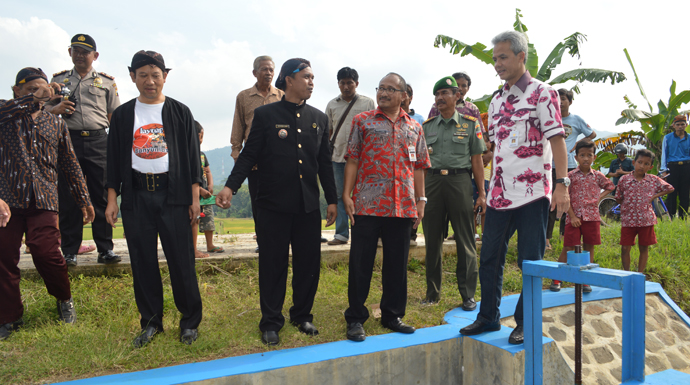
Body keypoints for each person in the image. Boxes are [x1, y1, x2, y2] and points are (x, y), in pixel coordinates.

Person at [217, 58, 337, 346]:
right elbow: (249, 154)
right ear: (288, 80)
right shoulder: (266, 115)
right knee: (273, 263)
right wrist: (230, 187)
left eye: (313, 77)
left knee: (309, 262)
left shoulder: (319, 118)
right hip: (273, 203)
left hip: (307, 205)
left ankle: (302, 315)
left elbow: (324, 163)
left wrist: (332, 200)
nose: (311, 82)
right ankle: (271, 321)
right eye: (306, 77)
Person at [459, 31, 569, 345]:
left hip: (534, 194)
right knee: (490, 257)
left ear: (521, 57)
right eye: (495, 59)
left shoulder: (542, 93)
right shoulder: (496, 101)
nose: (497, 64)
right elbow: (496, 146)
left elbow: (558, 143)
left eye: (503, 57)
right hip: (499, 193)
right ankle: (488, 317)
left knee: (530, 262)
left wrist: (562, 185)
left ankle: (526, 322)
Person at [105, 50, 203, 347]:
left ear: (165, 76)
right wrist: (112, 199)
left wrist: (194, 198)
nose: (150, 81)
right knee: (142, 261)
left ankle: (189, 322)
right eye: (143, 75)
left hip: (173, 195)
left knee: (181, 260)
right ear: (133, 77)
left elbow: (191, 159)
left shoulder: (180, 112)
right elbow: (112, 159)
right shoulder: (123, 115)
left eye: (155, 75)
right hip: (136, 196)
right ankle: (151, 323)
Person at [0, 67, 95, 340]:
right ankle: (9, 316)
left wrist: (83, 199)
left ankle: (64, 299)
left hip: (43, 199)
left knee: (47, 253)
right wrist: (35, 97)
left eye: (42, 88)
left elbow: (70, 164)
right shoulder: (5, 116)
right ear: (16, 91)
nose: (37, 95)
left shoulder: (56, 124)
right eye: (29, 89)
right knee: (4, 257)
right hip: (7, 201)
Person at [342, 73, 431, 342]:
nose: (384, 93)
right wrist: (346, 195)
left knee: (396, 265)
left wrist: (421, 200)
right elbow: (353, 159)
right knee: (360, 264)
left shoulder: (415, 127)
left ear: (404, 95)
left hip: (402, 207)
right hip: (367, 205)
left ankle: (392, 315)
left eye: (391, 89)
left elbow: (418, 166)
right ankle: (356, 318)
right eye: (381, 88)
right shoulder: (362, 121)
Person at [46, 34, 121, 266]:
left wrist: (117, 145)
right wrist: (56, 108)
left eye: (85, 51)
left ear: (95, 56)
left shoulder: (107, 82)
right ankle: (69, 251)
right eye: (76, 50)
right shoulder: (57, 80)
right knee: (69, 197)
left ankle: (105, 249)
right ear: (70, 52)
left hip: (99, 141)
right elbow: (43, 112)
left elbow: (113, 117)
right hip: (68, 141)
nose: (80, 55)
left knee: (101, 195)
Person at [421, 76, 486, 310]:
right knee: (432, 241)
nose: (439, 98)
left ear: (456, 96)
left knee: (466, 240)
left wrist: (481, 194)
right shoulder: (426, 127)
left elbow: (477, 162)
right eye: (437, 95)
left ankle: (468, 294)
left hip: (460, 182)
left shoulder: (470, 124)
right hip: (433, 184)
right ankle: (432, 293)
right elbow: (420, 165)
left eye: (445, 93)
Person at [230, 56, 284, 253]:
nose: (268, 73)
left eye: (271, 69)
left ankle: (279, 240)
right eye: (264, 69)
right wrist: (237, 153)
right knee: (258, 204)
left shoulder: (281, 96)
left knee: (280, 203)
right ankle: (263, 242)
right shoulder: (244, 97)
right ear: (254, 73)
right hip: (254, 163)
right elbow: (238, 127)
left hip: (279, 162)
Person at [550, 140, 614, 292]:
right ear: (576, 157)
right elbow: (566, 196)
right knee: (569, 246)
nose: (586, 158)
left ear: (594, 157)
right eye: (582, 155)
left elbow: (610, 186)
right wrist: (572, 216)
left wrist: (599, 197)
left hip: (592, 217)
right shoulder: (570, 176)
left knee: (589, 247)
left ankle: (585, 279)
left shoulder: (597, 176)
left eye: (589, 155)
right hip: (574, 217)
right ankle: (557, 278)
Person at [325, 67, 375, 246]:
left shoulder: (368, 103)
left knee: (363, 194)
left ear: (357, 84)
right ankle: (341, 234)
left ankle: (364, 233)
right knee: (339, 195)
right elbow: (328, 131)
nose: (346, 86)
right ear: (338, 84)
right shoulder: (332, 105)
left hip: (362, 159)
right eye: (342, 83)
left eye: (350, 83)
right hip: (338, 157)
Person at [545, 88, 596, 250]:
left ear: (570, 102)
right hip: (550, 166)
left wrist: (577, 145)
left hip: (570, 166)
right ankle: (547, 239)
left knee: (569, 202)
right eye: (557, 99)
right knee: (551, 203)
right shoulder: (549, 118)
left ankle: (564, 234)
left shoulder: (576, 120)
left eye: (564, 99)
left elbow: (592, 134)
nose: (560, 102)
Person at [616, 149, 673, 272]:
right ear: (634, 162)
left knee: (644, 247)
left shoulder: (653, 180)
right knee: (625, 248)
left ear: (650, 166)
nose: (642, 166)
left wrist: (654, 197)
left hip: (646, 220)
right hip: (628, 220)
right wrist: (628, 207)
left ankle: (639, 274)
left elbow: (670, 188)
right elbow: (619, 198)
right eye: (640, 162)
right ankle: (627, 273)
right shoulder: (624, 180)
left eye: (646, 164)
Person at [193, 121, 223, 259]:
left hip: (206, 196)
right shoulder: (186, 156)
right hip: (194, 195)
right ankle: (192, 248)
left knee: (209, 220)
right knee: (194, 220)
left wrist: (210, 185)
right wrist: (199, 190)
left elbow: (208, 171)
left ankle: (210, 245)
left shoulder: (202, 155)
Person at [660, 115, 690, 219]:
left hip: (687, 167)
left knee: (685, 193)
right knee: (671, 192)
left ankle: (683, 217)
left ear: (686, 125)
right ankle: (671, 217)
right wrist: (664, 170)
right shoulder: (667, 138)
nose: (680, 126)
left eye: (682, 124)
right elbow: (664, 154)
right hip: (672, 168)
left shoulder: (689, 137)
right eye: (678, 124)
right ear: (674, 125)